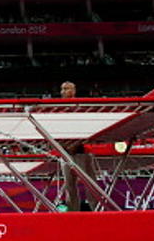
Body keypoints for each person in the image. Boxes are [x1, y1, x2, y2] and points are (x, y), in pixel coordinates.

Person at [58, 81, 99, 211]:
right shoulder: (58, 109)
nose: (63, 92)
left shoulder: (80, 107)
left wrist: (76, 144)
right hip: (66, 152)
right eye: (62, 89)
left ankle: (96, 210)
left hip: (82, 151)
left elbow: (87, 128)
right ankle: (73, 212)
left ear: (74, 91)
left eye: (66, 89)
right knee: (69, 185)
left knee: (90, 184)